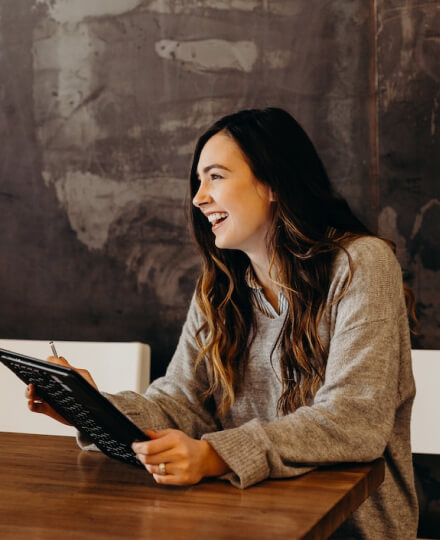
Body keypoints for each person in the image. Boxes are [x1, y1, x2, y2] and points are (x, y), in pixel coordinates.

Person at [26, 108, 418, 538]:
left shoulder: (361, 264)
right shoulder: (219, 289)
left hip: (345, 530)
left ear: (272, 183)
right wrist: (92, 408)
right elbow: (180, 405)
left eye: (215, 176)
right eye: (198, 181)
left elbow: (353, 420)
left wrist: (215, 456)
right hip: (242, 522)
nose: (198, 198)